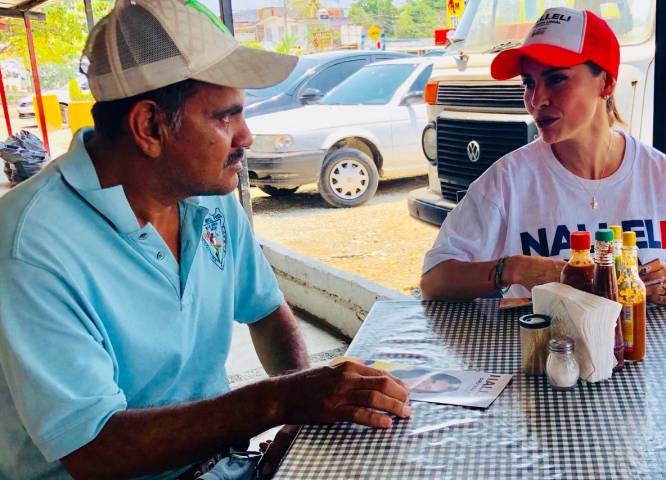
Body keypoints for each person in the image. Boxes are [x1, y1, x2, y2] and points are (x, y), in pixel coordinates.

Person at [0, 1, 410, 479]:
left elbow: (267, 313)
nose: (246, 136)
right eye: (225, 118)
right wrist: (281, 400)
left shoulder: (207, 198)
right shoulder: (30, 245)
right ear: (150, 126)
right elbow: (93, 448)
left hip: (220, 465)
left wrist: (299, 414)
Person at [421, 6, 666, 305]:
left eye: (556, 79)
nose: (536, 100)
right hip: (545, 336)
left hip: (637, 333)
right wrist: (514, 269)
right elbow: (433, 279)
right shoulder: (509, 179)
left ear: (606, 83)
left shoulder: (659, 174)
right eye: (528, 83)